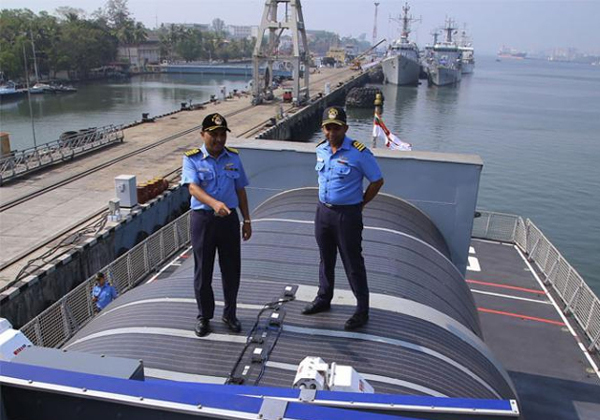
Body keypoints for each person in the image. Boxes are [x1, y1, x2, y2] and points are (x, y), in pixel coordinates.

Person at [302, 106, 384, 330]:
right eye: (328, 128)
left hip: (347, 215)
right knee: (325, 258)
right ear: (323, 129)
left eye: (336, 128)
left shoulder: (358, 152)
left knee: (352, 262)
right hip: (323, 212)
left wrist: (361, 203)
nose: (332, 132)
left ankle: (362, 310)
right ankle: (324, 298)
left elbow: (377, 180)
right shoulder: (320, 150)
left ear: (345, 128)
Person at [182, 113, 252, 337]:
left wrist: (247, 219)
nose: (219, 139)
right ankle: (204, 316)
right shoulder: (192, 159)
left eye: (222, 134)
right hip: (203, 220)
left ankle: (230, 314)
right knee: (203, 271)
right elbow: (193, 188)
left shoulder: (233, 158)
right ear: (203, 134)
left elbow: (240, 189)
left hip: (229, 220)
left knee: (231, 270)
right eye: (214, 135)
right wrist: (214, 203)